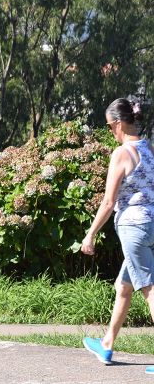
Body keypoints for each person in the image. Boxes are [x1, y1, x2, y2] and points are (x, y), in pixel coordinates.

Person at [81, 97, 151, 365]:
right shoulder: (148, 149)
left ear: (119, 124)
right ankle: (107, 344)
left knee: (149, 290)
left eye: (110, 126)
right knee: (124, 286)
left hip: (134, 227)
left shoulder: (122, 153)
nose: (111, 131)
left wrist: (90, 233)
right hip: (150, 227)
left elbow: (109, 201)